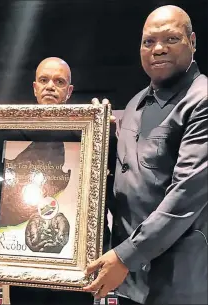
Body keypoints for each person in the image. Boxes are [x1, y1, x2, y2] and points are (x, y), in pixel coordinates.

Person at [84, 5, 207, 305]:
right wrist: (97, 139)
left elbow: (185, 197)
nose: (158, 49)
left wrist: (126, 256)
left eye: (171, 39)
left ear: (193, 41)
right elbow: (127, 180)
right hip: (129, 279)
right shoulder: (137, 101)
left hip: (177, 280)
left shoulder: (201, 100)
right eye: (148, 42)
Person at [9, 57, 96, 305]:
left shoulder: (88, 132)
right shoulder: (11, 132)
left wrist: (105, 132)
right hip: (26, 264)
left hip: (74, 263)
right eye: (44, 80)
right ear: (34, 87)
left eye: (59, 82)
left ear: (69, 91)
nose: (50, 86)